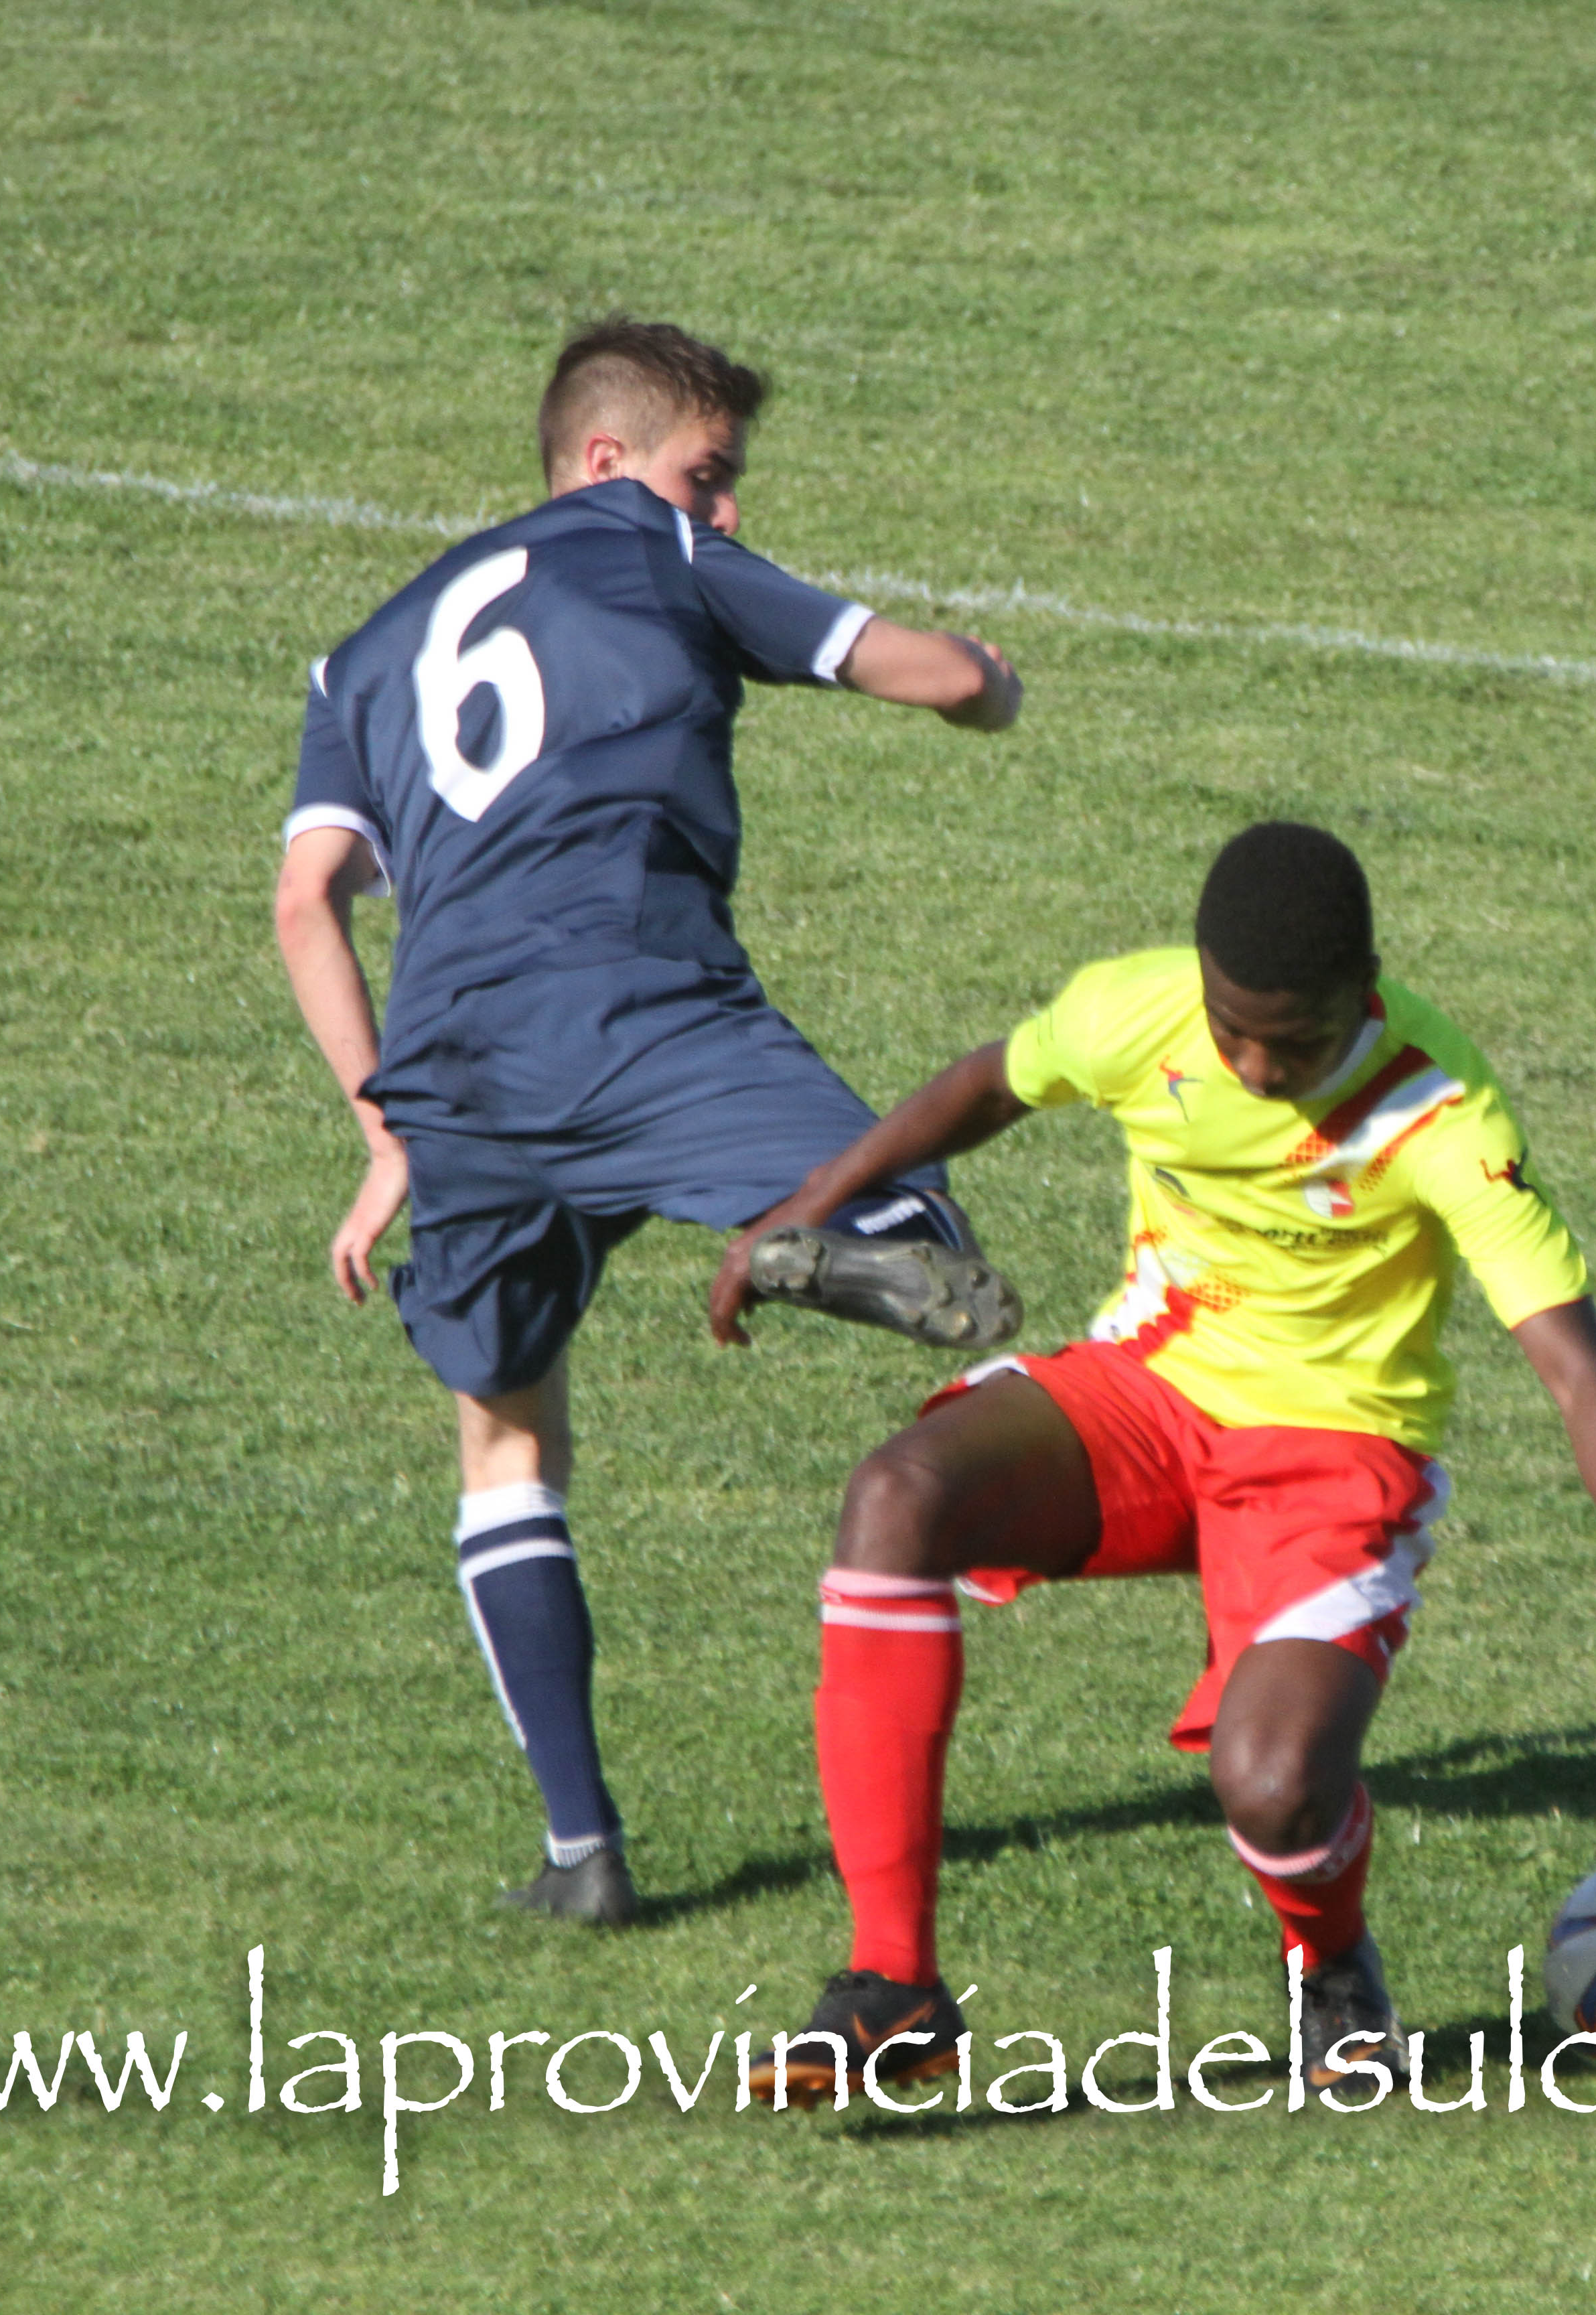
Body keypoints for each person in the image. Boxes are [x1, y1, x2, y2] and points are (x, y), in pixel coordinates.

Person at [709, 821, 1596, 2095]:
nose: (1256, 1067)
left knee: (1273, 1785)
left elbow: (1576, 1367)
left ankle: (1331, 1970)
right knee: (897, 1496)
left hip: (1334, 1455)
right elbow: (991, 1083)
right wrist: (803, 1209)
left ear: (1367, 989)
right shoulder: (1139, 1012)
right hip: (1149, 1393)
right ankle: (893, 1984)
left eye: (1295, 1042)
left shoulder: (1443, 1110)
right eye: (1233, 1032)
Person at [273, 317, 1031, 1928]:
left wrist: (385, 1133)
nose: (727, 511)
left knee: (503, 1437)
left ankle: (582, 1856)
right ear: (609, 462)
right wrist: (992, 688)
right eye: (711, 476)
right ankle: (832, 1251)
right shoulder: (653, 545)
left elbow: (304, 902)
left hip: (456, 1072)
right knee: (916, 1212)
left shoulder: (360, 659)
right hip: (635, 1003)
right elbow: (943, 675)